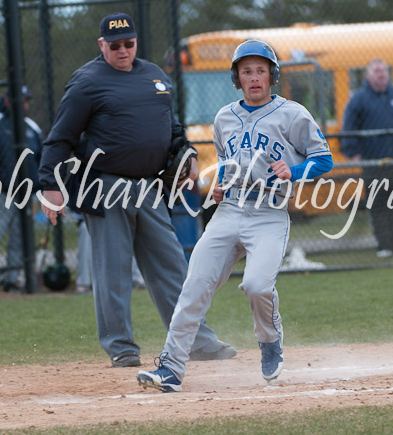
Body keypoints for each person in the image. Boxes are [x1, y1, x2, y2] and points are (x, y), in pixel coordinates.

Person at [38, 12, 235, 367]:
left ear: (136, 42)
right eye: (115, 45)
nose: (123, 50)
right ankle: (122, 348)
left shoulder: (155, 76)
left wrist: (186, 152)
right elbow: (60, 137)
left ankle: (195, 341)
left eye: (129, 43)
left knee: (173, 267)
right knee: (113, 273)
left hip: (148, 187)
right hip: (104, 186)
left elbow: (172, 128)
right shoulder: (86, 82)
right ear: (102, 45)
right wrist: (49, 186)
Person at [136, 39, 333, 392]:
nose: (254, 78)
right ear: (236, 78)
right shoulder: (224, 117)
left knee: (257, 286)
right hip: (229, 210)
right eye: (246, 72)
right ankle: (171, 367)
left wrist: (295, 170)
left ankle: (270, 340)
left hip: (270, 212)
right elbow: (229, 161)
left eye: (260, 71)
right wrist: (221, 185)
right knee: (195, 285)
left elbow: (324, 158)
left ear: (272, 75)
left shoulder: (292, 114)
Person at [341, 58, 393, 258]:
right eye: (377, 71)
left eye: (384, 71)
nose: (381, 74)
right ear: (368, 75)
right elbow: (349, 126)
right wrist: (353, 151)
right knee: (378, 205)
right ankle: (384, 245)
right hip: (372, 162)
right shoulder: (359, 99)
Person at [0, 86, 42, 291]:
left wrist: (41, 186)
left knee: (20, 240)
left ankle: (12, 280)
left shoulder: (31, 127)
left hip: (26, 193)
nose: (23, 104)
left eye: (26, 100)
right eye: (19, 100)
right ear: (7, 100)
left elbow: (41, 159)